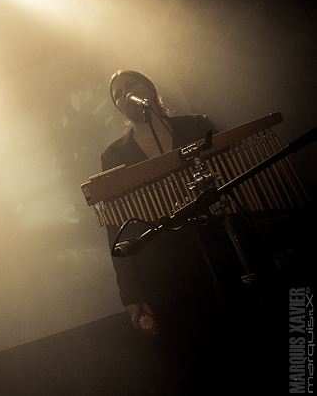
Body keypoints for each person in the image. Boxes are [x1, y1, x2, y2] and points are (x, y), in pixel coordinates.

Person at [100, 70, 271, 392]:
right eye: (118, 94)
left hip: (223, 247)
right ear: (119, 108)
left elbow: (238, 182)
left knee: (251, 342)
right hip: (167, 268)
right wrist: (131, 294)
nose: (125, 94)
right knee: (201, 359)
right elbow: (117, 227)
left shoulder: (196, 125)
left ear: (150, 88)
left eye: (131, 85)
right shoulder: (114, 155)